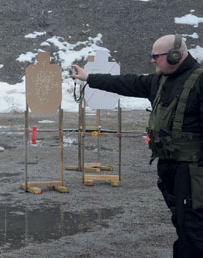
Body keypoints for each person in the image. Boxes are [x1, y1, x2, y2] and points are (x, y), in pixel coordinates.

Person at [70, 34, 203, 258]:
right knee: (181, 223)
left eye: (156, 56)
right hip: (171, 167)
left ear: (174, 56)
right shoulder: (160, 80)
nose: (152, 60)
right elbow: (126, 83)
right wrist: (89, 77)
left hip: (192, 171)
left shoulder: (199, 82)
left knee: (193, 229)